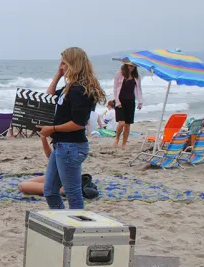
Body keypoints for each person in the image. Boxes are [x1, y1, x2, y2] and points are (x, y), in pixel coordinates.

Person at [35, 47, 106, 210]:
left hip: (71, 147)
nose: (62, 67)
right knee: (50, 191)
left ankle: (76, 227)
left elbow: (79, 123)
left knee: (72, 193)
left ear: (73, 64)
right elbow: (48, 98)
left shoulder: (79, 90)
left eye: (64, 64)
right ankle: (64, 220)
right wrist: (58, 76)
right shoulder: (69, 88)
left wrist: (52, 128)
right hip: (61, 146)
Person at [112, 63, 144, 148]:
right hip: (120, 101)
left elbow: (138, 89)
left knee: (127, 124)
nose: (132, 67)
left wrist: (140, 101)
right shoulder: (119, 74)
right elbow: (115, 89)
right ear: (126, 65)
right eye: (130, 65)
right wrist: (117, 101)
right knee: (121, 123)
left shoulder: (137, 76)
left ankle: (124, 143)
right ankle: (117, 139)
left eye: (133, 66)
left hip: (130, 101)